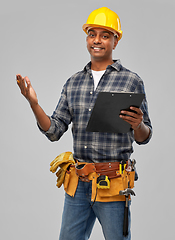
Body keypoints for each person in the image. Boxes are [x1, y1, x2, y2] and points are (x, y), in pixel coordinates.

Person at [16, 7, 152, 240]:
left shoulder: (131, 81)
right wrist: (33, 104)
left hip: (113, 185)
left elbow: (144, 137)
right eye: (92, 34)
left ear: (115, 41)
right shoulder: (73, 83)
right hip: (78, 185)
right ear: (87, 38)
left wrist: (138, 124)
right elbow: (54, 130)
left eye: (105, 35)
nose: (97, 40)